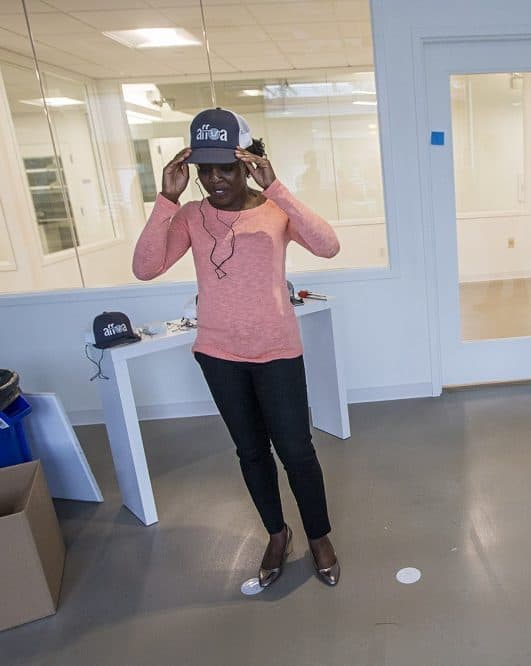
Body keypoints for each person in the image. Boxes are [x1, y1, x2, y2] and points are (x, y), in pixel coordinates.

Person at [133, 108, 342, 589]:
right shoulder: (190, 215)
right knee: (250, 452)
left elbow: (328, 246)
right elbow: (146, 267)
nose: (213, 179)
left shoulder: (275, 211)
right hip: (219, 355)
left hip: (277, 350)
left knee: (296, 450)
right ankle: (276, 533)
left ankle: (319, 536)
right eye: (204, 169)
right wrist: (166, 198)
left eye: (224, 166)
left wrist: (278, 189)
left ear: (247, 162)